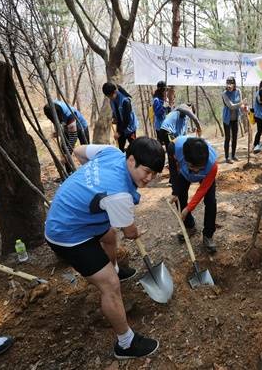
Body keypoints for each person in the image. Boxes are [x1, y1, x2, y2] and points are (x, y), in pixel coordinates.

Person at [45, 137, 165, 359]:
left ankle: (115, 269)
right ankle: (126, 344)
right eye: (147, 171)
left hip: (73, 215)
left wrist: (91, 188)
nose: (150, 178)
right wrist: (134, 230)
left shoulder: (111, 152)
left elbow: (79, 151)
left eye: (155, 174)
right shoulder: (119, 194)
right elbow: (129, 233)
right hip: (67, 233)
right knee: (110, 285)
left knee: (109, 236)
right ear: (131, 160)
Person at [168, 136, 218, 253]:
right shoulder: (174, 148)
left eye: (199, 168)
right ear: (185, 158)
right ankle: (190, 226)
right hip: (184, 174)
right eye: (192, 167)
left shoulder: (212, 165)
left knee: (211, 201)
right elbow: (173, 169)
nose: (196, 171)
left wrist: (188, 208)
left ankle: (208, 235)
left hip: (206, 177)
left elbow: (202, 190)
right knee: (179, 198)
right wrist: (175, 191)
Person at [44, 100, 90, 172]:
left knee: (85, 150)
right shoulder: (52, 107)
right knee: (64, 148)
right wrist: (59, 132)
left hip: (81, 127)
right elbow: (60, 122)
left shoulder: (70, 115)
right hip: (67, 127)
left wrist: (67, 155)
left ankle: (88, 170)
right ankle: (69, 173)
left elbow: (73, 137)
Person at [102, 83, 139, 152]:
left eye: (110, 96)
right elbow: (115, 111)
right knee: (120, 147)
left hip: (130, 127)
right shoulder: (112, 100)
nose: (110, 98)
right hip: (120, 125)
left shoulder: (125, 101)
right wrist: (114, 118)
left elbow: (127, 120)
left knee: (134, 146)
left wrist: (119, 133)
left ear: (115, 92)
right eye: (108, 96)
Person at [222, 77, 244, 163]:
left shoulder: (238, 91)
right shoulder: (224, 93)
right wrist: (241, 104)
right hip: (227, 119)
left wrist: (244, 107)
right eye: (228, 84)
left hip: (235, 118)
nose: (229, 86)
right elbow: (231, 106)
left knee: (235, 138)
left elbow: (240, 105)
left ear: (234, 84)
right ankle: (227, 157)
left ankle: (233, 155)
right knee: (228, 138)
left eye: (231, 84)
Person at [253, 80, 262, 153]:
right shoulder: (259, 94)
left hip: (259, 114)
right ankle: (256, 145)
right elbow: (260, 101)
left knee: (259, 131)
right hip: (258, 114)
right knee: (259, 131)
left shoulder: (258, 93)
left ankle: (256, 144)